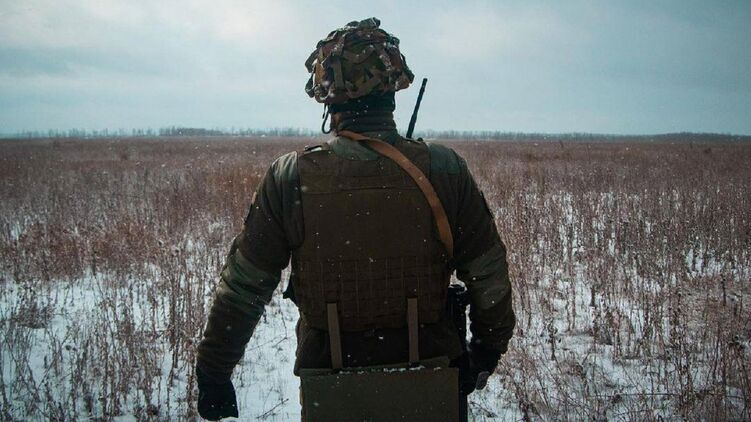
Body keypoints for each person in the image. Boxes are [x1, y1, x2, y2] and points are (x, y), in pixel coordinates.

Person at [195, 17, 515, 421]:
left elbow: (244, 287)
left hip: (330, 385)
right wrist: (485, 352)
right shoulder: (444, 168)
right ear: (393, 91)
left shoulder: (291, 177)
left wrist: (214, 372)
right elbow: (488, 275)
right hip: (431, 374)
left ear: (328, 100)